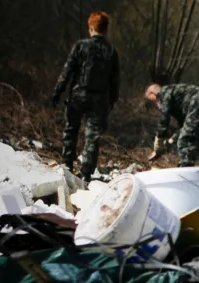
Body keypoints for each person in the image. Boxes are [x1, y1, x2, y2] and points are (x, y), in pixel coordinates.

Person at [50, 11, 120, 182]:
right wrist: (111, 101)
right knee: (92, 138)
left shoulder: (81, 46)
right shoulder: (111, 51)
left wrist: (57, 92)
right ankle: (86, 174)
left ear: (91, 28)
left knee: (70, 131)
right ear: (106, 30)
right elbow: (115, 81)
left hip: (78, 95)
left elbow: (67, 72)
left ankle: (67, 166)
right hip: (99, 100)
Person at [145, 83, 199, 166]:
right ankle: (189, 166)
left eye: (152, 100)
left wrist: (159, 138)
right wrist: (170, 141)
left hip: (197, 104)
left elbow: (164, 117)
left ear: (153, 93)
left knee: (184, 141)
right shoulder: (177, 98)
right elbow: (184, 127)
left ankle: (185, 167)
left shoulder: (164, 92)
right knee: (193, 141)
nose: (155, 104)